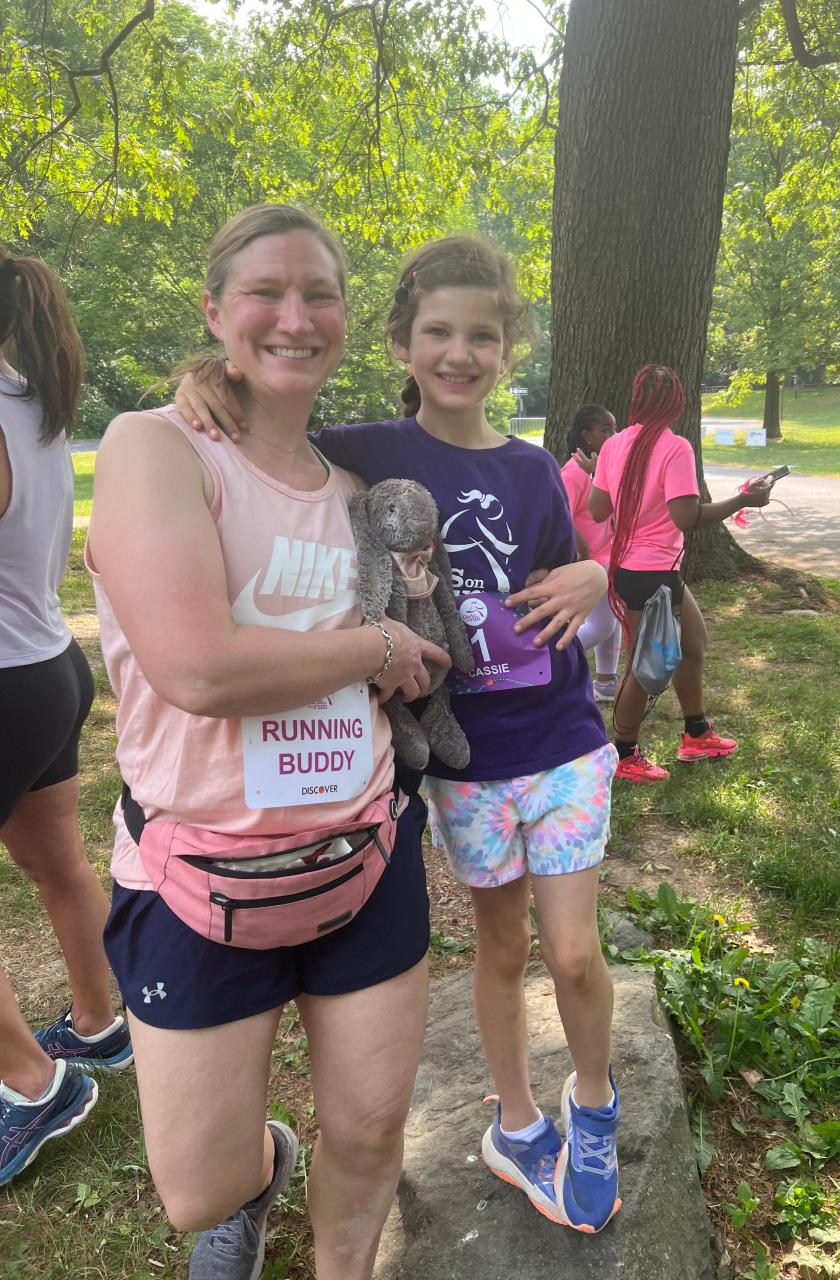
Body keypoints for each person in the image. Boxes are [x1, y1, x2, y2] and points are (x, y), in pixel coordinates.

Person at [176, 235, 624, 1234]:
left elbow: (567, 586)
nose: (459, 352)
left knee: (577, 949)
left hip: (560, 742)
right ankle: (514, 1123)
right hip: (466, 763)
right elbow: (261, 422)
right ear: (402, 342)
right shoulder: (369, 449)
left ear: (511, 347)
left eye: (481, 334)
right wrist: (210, 377)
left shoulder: (534, 470)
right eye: (438, 332)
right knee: (502, 946)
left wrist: (600, 577)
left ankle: (593, 1102)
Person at [88, 204, 453, 1280]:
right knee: (197, 1185)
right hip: (199, 868)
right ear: (214, 312)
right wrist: (374, 642)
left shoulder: (355, 491)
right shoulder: (153, 447)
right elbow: (199, 668)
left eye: (320, 294)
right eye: (265, 292)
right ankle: (262, 1167)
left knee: (375, 1129)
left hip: (367, 849)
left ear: (347, 318)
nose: (295, 316)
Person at [0, 252, 132, 1189]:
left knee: (53, 861)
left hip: (8, 676)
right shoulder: (32, 404)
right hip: (49, 665)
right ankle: (101, 1025)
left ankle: (32, 1084)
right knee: (54, 860)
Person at [590, 363, 771, 784]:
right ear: (677, 402)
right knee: (643, 663)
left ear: (636, 399)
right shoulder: (675, 447)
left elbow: (599, 509)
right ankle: (624, 752)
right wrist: (744, 499)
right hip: (652, 572)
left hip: (639, 569)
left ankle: (696, 733)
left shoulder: (615, 445)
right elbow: (686, 517)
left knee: (693, 641)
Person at [559, 405, 622, 702]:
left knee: (612, 622)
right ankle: (550, 665)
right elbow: (559, 516)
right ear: (586, 436)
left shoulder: (600, 471)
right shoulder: (572, 473)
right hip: (591, 564)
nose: (614, 435)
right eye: (605, 430)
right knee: (602, 624)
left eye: (614, 428)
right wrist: (580, 545)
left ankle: (606, 682)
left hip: (610, 556)